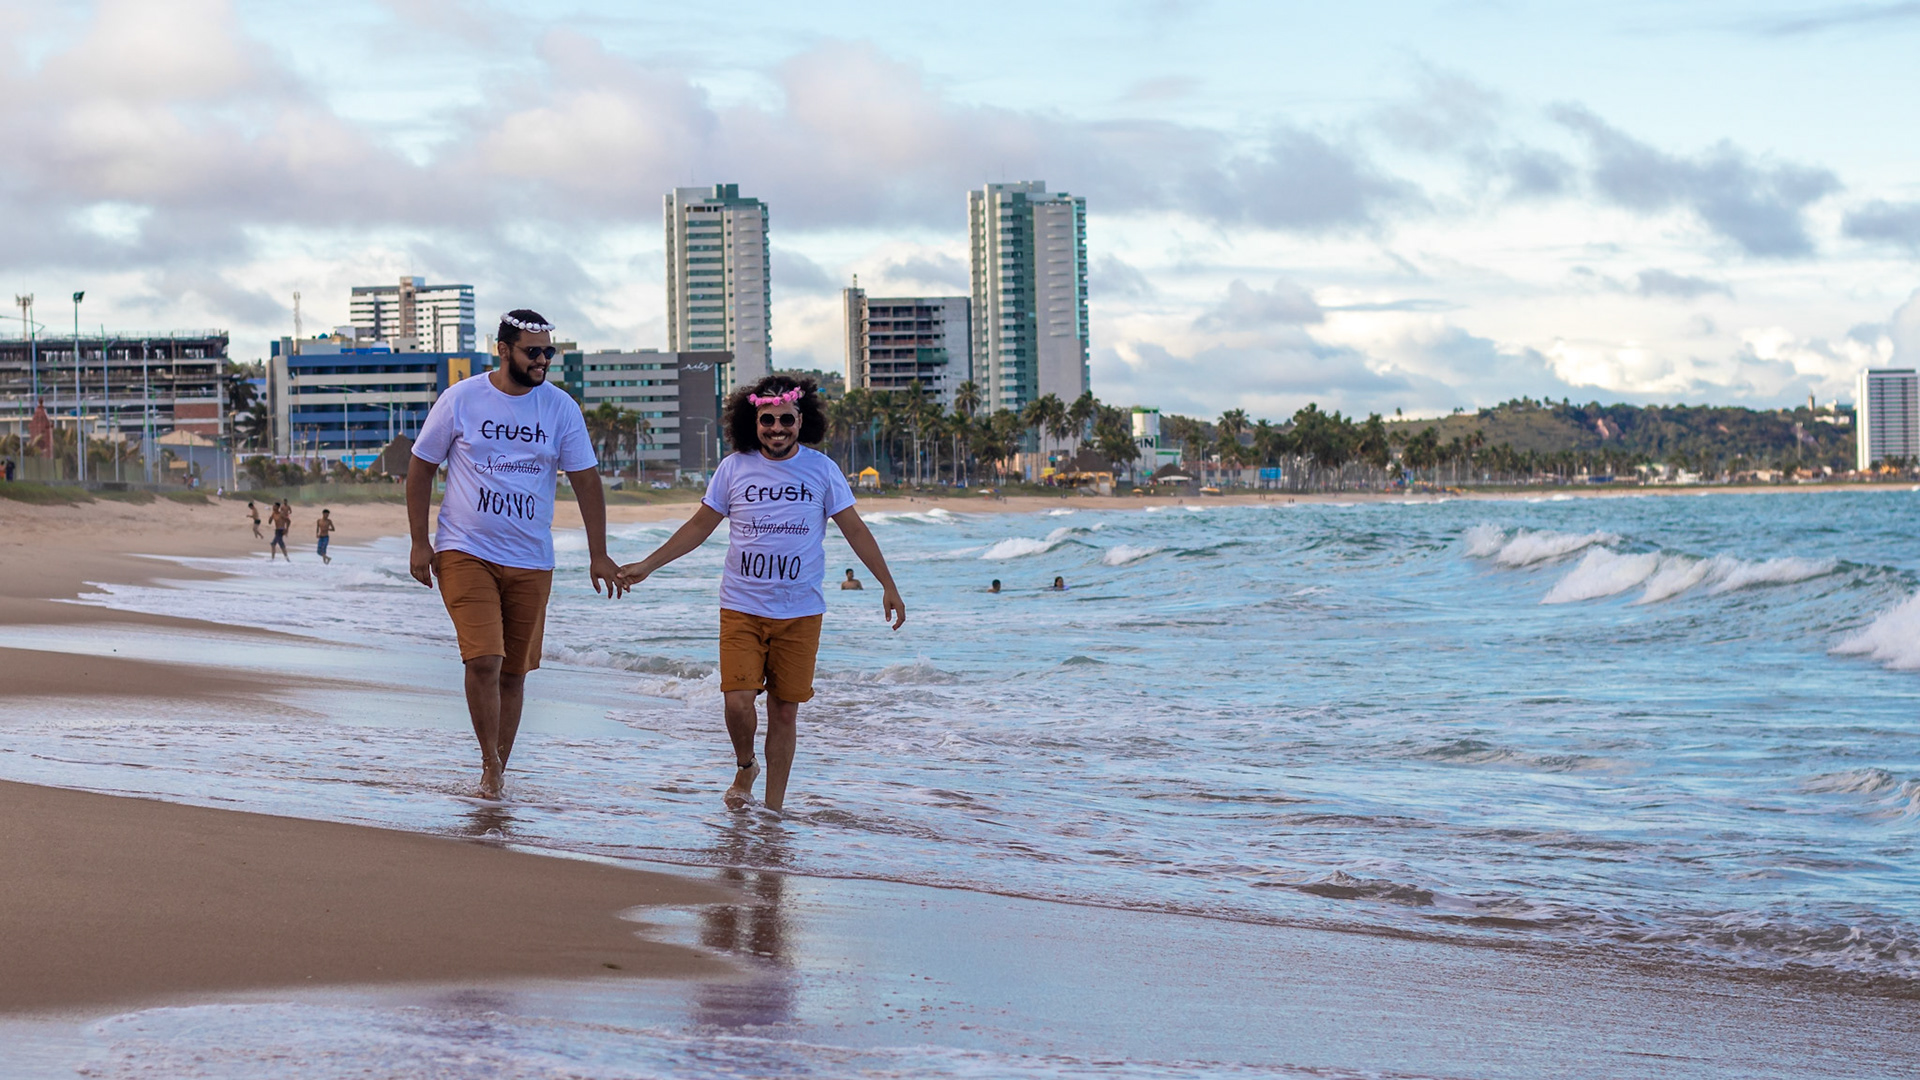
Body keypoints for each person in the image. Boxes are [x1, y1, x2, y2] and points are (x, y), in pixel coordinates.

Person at [617, 374, 904, 813]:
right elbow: (699, 526)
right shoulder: (734, 468)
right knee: (737, 703)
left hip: (801, 611)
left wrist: (888, 584)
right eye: (767, 420)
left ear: (801, 420)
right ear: (753, 423)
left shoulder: (822, 470)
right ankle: (745, 765)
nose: (777, 428)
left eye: (786, 419)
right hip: (741, 607)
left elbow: (855, 530)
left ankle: (773, 812)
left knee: (785, 712)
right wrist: (648, 565)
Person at [407, 309, 624, 800]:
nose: (543, 360)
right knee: (484, 659)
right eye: (533, 351)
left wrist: (599, 554)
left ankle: (498, 770)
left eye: (549, 351)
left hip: (531, 558)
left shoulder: (561, 408)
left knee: (514, 672)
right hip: (465, 550)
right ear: (503, 350)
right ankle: (490, 766)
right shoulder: (461, 399)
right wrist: (420, 541)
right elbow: (420, 467)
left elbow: (586, 482)